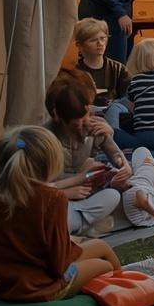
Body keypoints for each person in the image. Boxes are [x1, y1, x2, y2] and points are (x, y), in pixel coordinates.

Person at [0, 126, 122, 302]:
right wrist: (70, 245)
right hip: (38, 287)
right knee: (104, 265)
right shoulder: (51, 198)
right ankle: (127, 293)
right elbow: (59, 264)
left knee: (101, 246)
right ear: (49, 163)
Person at [44, 69, 129, 235]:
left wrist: (123, 165)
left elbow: (116, 155)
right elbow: (38, 187)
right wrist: (66, 193)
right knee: (56, 216)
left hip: (86, 195)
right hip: (56, 197)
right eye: (77, 124)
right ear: (59, 118)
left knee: (113, 195)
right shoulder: (46, 137)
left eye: (87, 116)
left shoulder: (94, 126)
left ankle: (79, 225)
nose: (84, 124)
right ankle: (85, 225)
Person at [72, 18, 128, 109]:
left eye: (103, 38)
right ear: (79, 45)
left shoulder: (119, 69)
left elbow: (128, 99)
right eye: (93, 40)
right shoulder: (73, 72)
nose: (100, 43)